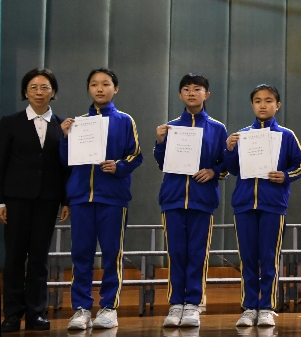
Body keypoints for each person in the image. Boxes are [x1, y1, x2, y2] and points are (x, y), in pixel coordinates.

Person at [59, 68, 143, 331]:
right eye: (94, 84)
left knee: (112, 254)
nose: (99, 88)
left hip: (113, 198)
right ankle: (81, 309)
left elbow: (135, 155)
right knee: (80, 254)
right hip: (81, 197)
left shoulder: (125, 120)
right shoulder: (78, 123)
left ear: (115, 89)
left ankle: (109, 307)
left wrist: (118, 166)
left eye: (105, 84)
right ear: (88, 88)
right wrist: (65, 138)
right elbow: (66, 161)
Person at [224, 84, 301, 328]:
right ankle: (249, 307)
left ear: (277, 105)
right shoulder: (241, 136)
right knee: (248, 258)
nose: (263, 105)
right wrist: (229, 150)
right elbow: (233, 169)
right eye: (258, 100)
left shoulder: (286, 136)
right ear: (252, 105)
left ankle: (267, 307)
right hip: (244, 204)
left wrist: (285, 176)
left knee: (269, 257)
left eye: (269, 100)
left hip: (273, 205)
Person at [154, 73, 228, 328]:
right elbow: (162, 163)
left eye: (197, 89)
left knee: (197, 253)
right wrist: (160, 142)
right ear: (179, 95)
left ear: (207, 94)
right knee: (176, 253)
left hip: (202, 200)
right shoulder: (170, 128)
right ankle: (176, 303)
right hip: (173, 199)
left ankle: (194, 304)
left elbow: (226, 163)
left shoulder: (217, 128)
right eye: (186, 89)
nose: (192, 93)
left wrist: (213, 172)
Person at [0, 69, 69, 332]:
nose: (39, 92)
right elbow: (0, 163)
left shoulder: (63, 125)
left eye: (44, 87)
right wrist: (0, 202)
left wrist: (65, 200)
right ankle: (11, 314)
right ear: (25, 92)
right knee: (14, 258)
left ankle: (36, 312)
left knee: (39, 259)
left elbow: (65, 167)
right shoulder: (10, 122)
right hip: (15, 199)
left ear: (54, 92)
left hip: (47, 200)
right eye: (33, 87)